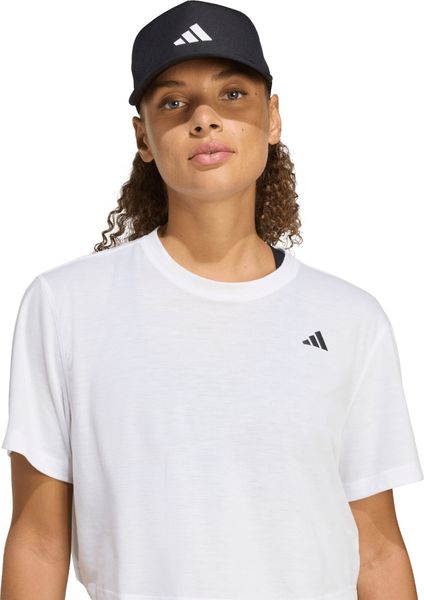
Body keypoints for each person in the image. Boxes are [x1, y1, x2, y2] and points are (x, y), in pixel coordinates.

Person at [1, 2, 423, 599]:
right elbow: (39, 542)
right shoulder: (66, 307)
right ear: (143, 137)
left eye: (233, 95)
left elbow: (377, 550)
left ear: (272, 118)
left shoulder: (351, 318)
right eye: (174, 103)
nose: (204, 119)